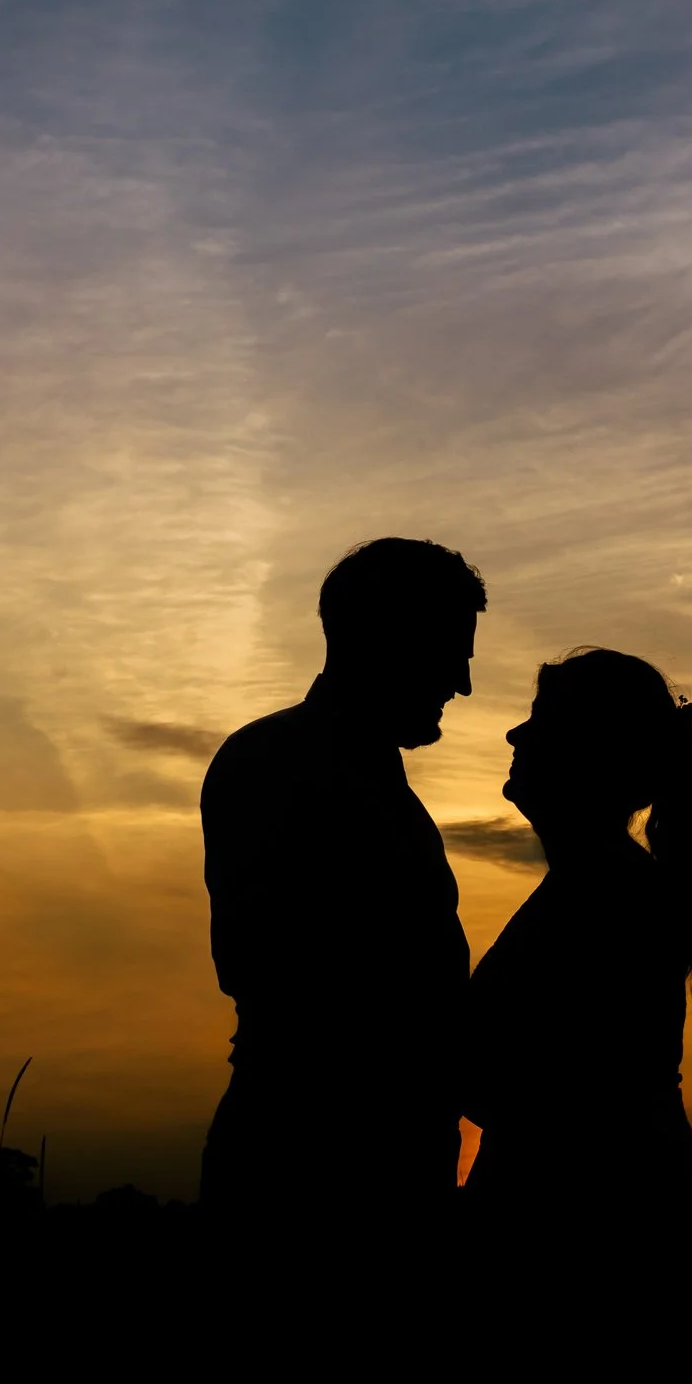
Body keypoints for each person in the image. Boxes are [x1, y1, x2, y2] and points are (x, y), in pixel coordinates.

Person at [198, 537, 485, 1270]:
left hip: (385, 1173)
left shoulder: (384, 789)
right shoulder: (272, 762)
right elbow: (258, 960)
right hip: (309, 1177)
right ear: (383, 640)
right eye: (450, 651)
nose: (463, 682)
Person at [462, 647, 692, 1277]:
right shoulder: (598, 886)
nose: (515, 733)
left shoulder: (608, 897)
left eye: (538, 719)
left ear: (585, 752)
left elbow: (542, 1089)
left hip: (599, 1231)